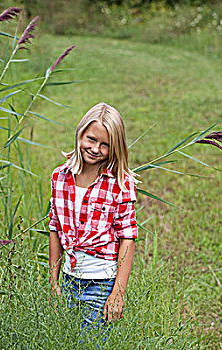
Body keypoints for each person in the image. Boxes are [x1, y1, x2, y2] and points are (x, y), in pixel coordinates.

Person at [48, 102, 138, 340]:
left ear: (115, 147)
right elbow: (55, 229)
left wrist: (118, 291)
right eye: (91, 139)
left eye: (105, 145)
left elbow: (127, 238)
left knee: (91, 343)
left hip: (101, 284)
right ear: (80, 134)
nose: (96, 148)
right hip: (68, 280)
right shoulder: (60, 177)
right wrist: (53, 281)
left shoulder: (120, 183)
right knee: (64, 341)